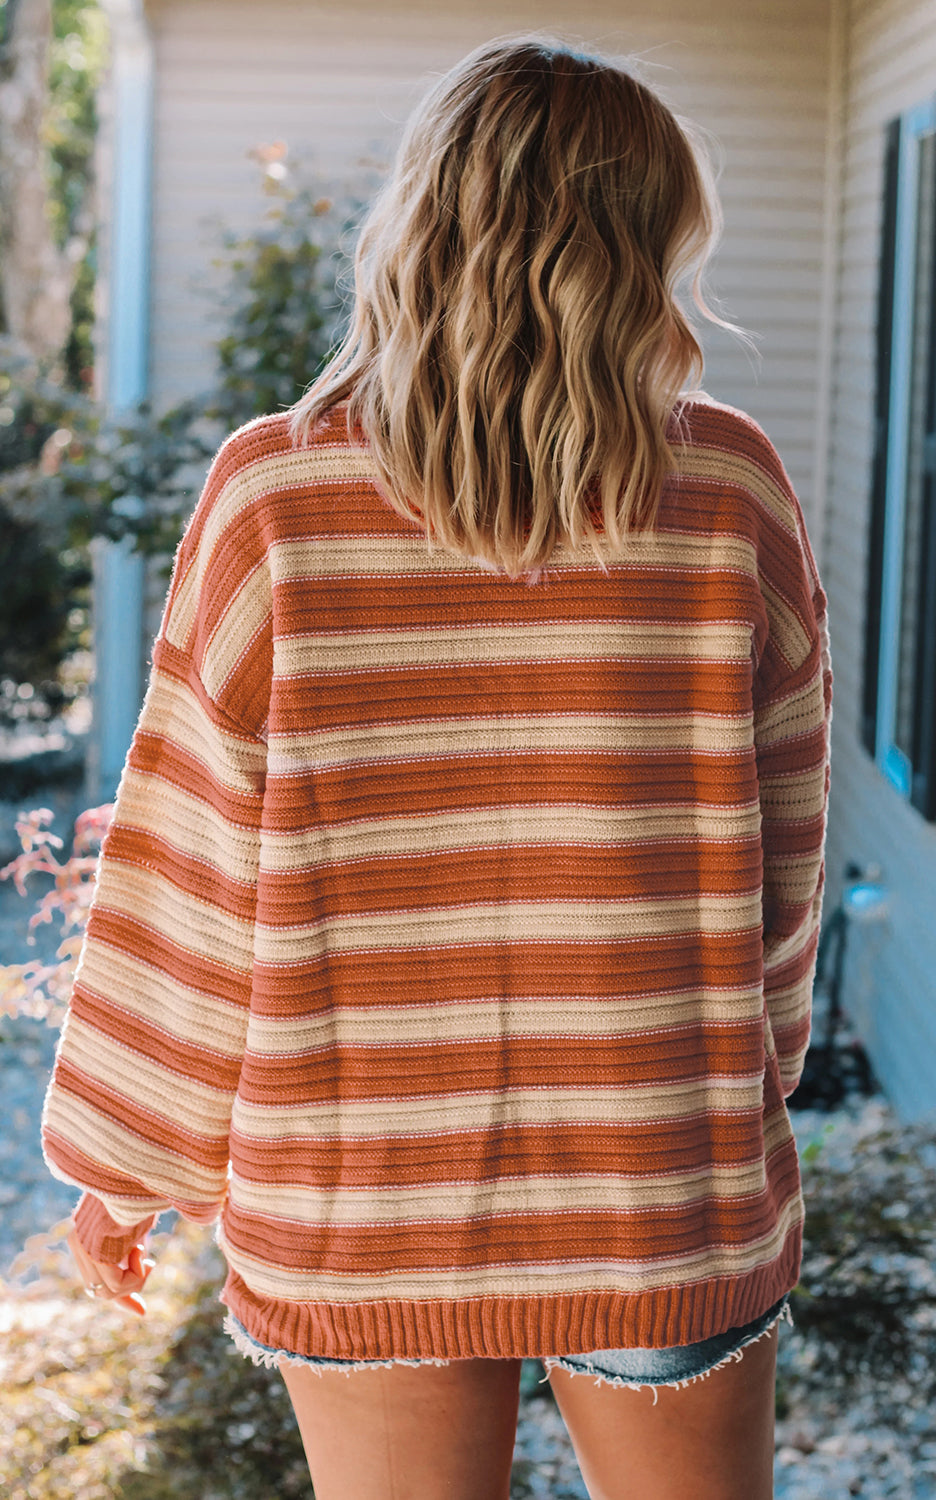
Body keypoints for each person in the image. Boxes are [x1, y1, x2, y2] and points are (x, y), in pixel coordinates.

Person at [42, 36, 832, 1500]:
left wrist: (134, 1162)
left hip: (359, 1191)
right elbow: (785, 847)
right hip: (655, 1165)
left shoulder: (275, 494)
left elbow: (189, 868)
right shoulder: (726, 490)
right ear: (644, 242)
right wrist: (748, 1075)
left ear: (417, 223)